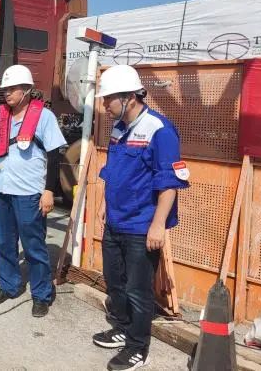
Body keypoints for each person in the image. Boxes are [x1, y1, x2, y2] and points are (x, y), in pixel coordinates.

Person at [91, 65, 189, 371]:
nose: (104, 105)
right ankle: (122, 329)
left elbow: (169, 182)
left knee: (137, 289)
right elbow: (114, 171)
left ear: (129, 97)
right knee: (115, 282)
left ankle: (137, 348)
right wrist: (106, 203)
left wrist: (158, 225)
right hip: (115, 222)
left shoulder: (160, 130)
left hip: (141, 227)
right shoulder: (119, 128)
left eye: (108, 99)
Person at [0, 65, 66, 318]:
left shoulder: (44, 117)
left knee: (34, 246)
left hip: (29, 192)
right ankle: (9, 285)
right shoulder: (1, 117)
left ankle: (41, 294)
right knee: (4, 242)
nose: (7, 93)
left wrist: (49, 190)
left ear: (27, 90)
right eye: (5, 89)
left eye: (13, 88)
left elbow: (54, 155)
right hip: (2, 190)